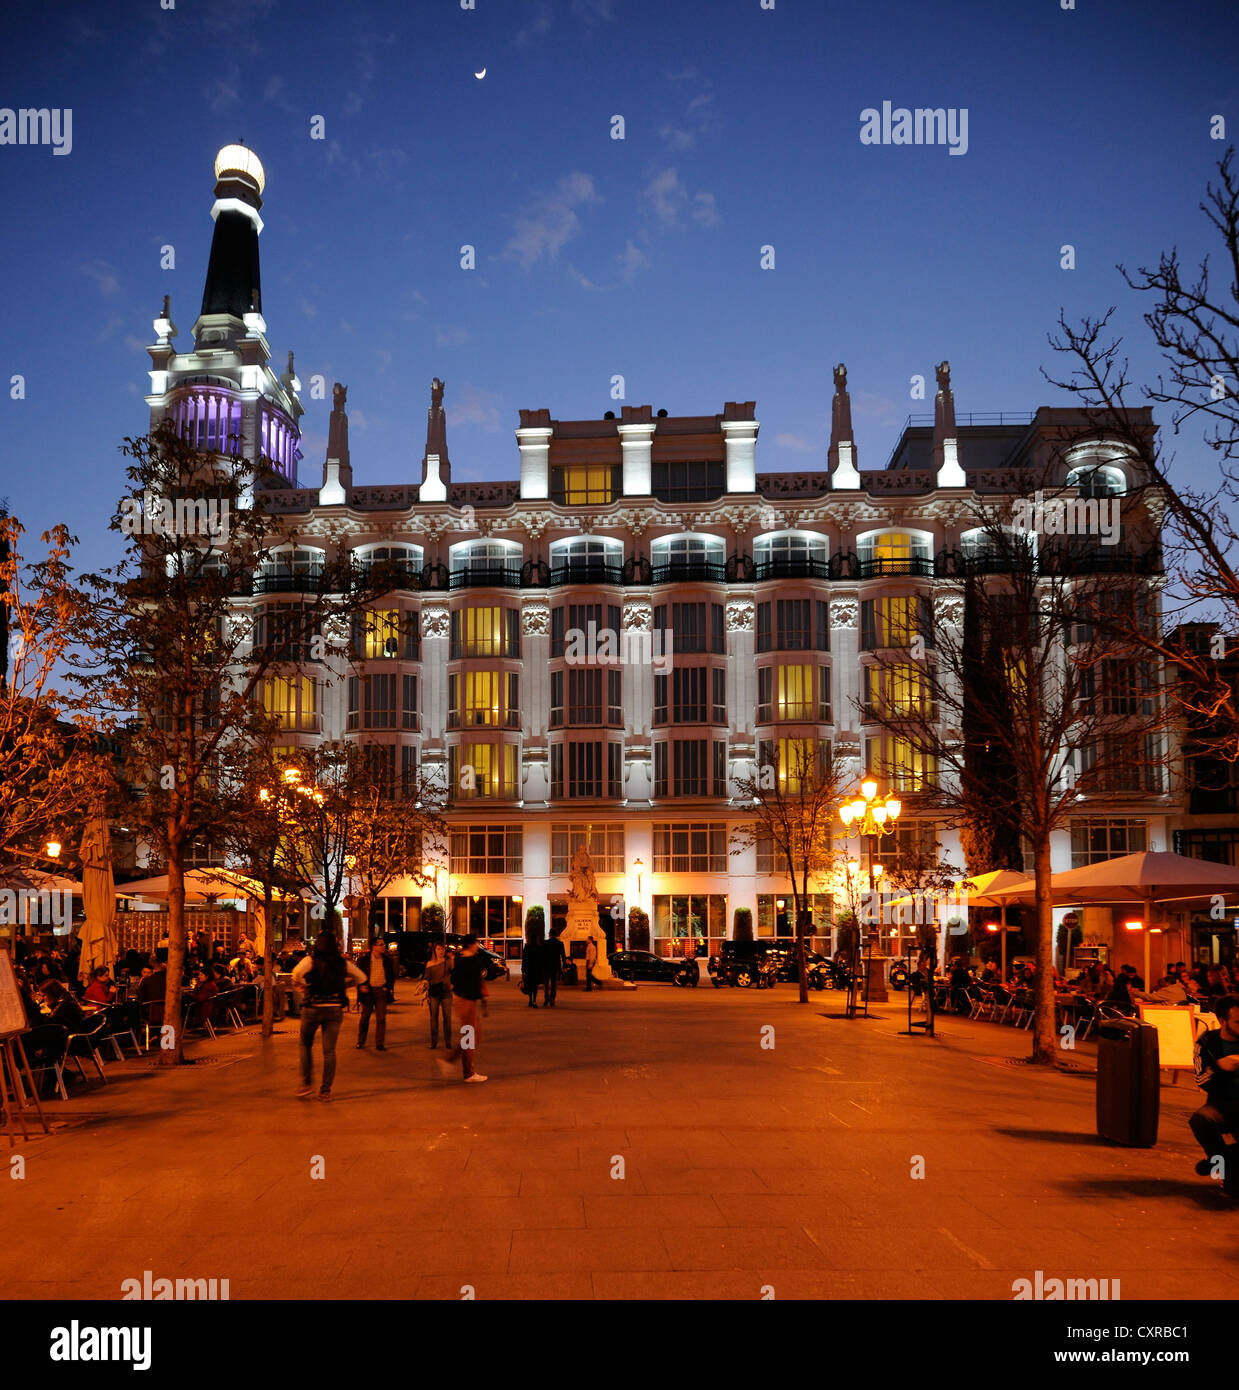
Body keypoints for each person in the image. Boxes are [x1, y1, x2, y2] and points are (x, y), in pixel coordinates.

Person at [292, 932, 366, 1100]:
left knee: (305, 1044)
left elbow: (296, 973)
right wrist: (346, 984)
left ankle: (306, 1083)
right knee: (329, 1051)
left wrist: (305, 985)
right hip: (334, 1009)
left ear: (318, 944)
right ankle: (325, 1091)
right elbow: (362, 977)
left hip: (312, 1007)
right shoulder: (343, 963)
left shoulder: (310, 960)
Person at [1190, 996, 1239, 1196]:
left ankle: (1217, 1161)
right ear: (1222, 1021)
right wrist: (1221, 1067)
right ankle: (1225, 1164)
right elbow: (1202, 1080)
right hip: (1223, 1103)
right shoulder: (1208, 1042)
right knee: (1200, 1120)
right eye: (1238, 1022)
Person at [442, 935, 487, 1083]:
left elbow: (454, 979)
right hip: (465, 1001)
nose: (478, 946)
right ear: (471, 944)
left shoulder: (461, 959)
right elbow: (476, 976)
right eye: (476, 943)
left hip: (466, 1000)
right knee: (470, 1036)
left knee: (475, 1035)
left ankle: (452, 1060)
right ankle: (467, 1072)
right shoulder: (471, 960)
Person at [356, 936, 395, 1050]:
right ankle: (361, 1041)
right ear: (374, 946)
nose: (384, 946)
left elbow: (392, 976)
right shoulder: (364, 960)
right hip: (368, 991)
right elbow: (358, 975)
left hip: (381, 991)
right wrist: (362, 986)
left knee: (381, 1018)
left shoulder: (387, 960)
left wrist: (387, 987)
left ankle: (379, 1043)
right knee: (365, 1017)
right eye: (381, 944)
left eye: (383, 944)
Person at [424, 943, 453, 1049]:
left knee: (447, 1018)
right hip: (434, 993)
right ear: (434, 950)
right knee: (433, 1018)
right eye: (438, 949)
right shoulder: (429, 964)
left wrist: (452, 984)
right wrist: (425, 982)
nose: (441, 951)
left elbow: (454, 973)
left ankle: (448, 1041)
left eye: (442, 949)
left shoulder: (448, 962)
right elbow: (426, 977)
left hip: (446, 993)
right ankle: (434, 1041)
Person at [541, 929, 566, 1008]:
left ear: (550, 934)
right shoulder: (560, 943)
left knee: (546, 983)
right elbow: (563, 956)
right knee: (554, 984)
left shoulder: (545, 943)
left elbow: (542, 955)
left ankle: (546, 998)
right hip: (555, 966)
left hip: (546, 966)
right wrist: (564, 966)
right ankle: (552, 999)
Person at [521, 930, 543, 1009]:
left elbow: (524, 959)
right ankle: (534, 1000)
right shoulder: (539, 947)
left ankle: (530, 1000)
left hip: (529, 969)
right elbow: (541, 960)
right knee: (535, 986)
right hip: (536, 970)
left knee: (529, 986)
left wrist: (523, 970)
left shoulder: (527, 947)